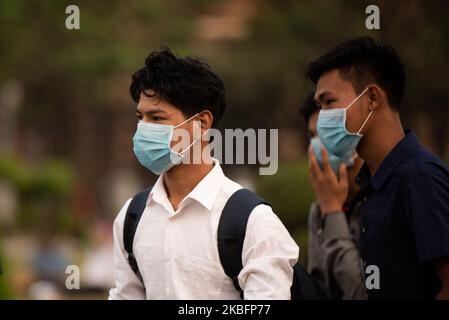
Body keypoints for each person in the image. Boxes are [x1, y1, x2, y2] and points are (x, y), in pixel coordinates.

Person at [108, 48, 299, 300]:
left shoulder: (252, 221)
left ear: (202, 123)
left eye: (156, 117)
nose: (144, 129)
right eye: (140, 117)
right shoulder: (132, 217)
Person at [306, 36, 449, 299]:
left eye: (329, 102)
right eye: (319, 106)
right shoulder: (373, 183)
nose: (322, 118)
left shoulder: (419, 177)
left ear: (371, 97)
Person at [300, 93, 366, 299]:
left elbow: (360, 293)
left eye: (324, 134)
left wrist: (333, 212)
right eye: (313, 135)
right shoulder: (319, 209)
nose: (317, 145)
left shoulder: (378, 202)